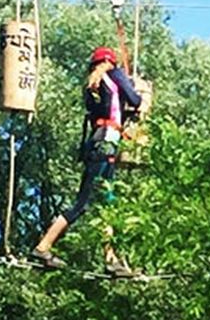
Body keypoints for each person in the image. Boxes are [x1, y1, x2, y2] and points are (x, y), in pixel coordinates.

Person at [31, 46, 142, 270]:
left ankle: (111, 259)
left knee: (107, 204)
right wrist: (134, 87)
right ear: (110, 63)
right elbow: (135, 100)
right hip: (106, 146)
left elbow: (108, 109)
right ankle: (43, 247)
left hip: (98, 145)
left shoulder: (93, 86)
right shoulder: (115, 75)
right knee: (82, 205)